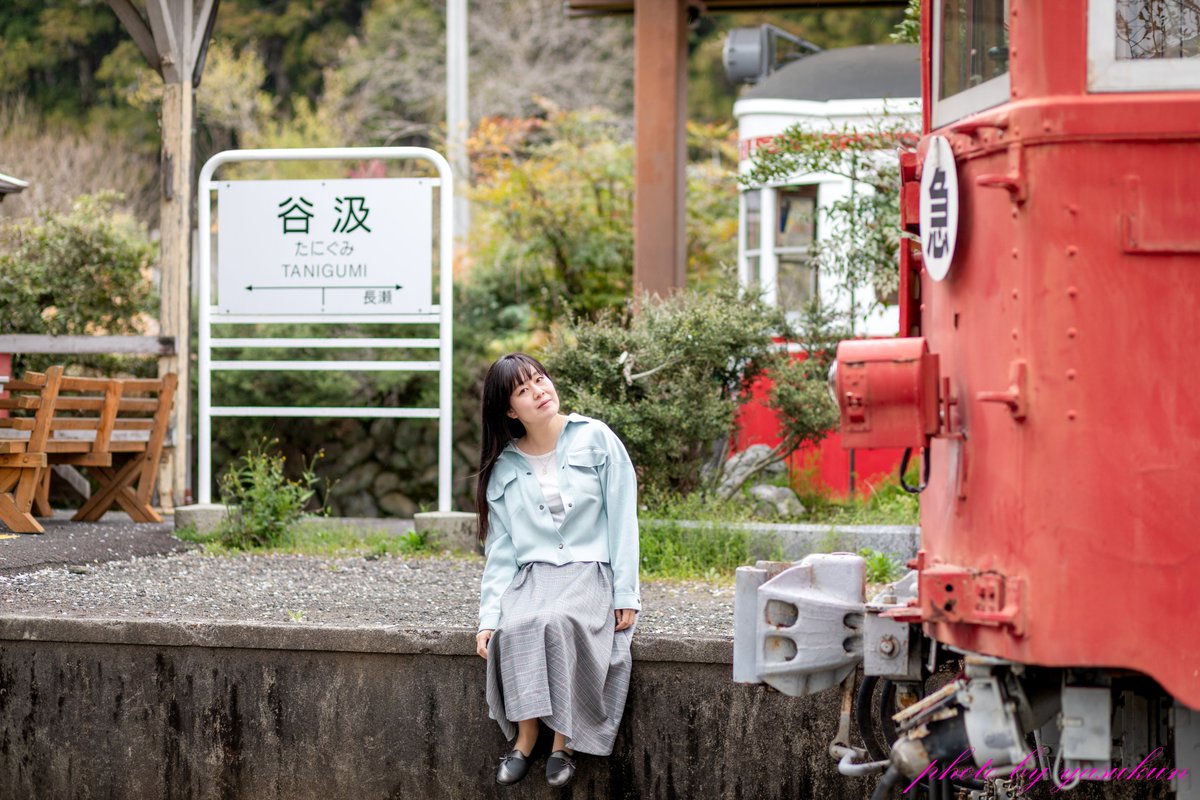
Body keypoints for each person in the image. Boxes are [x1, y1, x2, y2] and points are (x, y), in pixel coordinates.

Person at [475, 352, 640, 789]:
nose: (539, 392)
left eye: (540, 380)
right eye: (524, 391)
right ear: (511, 410)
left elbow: (623, 519)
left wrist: (626, 593)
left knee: (557, 621)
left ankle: (562, 743)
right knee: (521, 624)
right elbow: (502, 550)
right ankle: (526, 737)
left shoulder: (596, 438)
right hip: (534, 576)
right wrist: (489, 618)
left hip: (589, 572)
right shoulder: (504, 467)